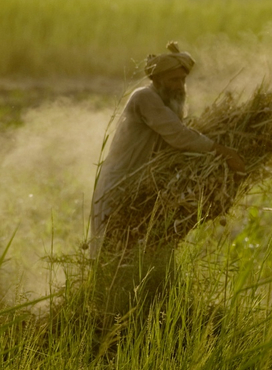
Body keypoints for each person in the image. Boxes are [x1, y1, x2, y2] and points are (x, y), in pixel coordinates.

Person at [87, 42, 244, 317]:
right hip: (119, 184)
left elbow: (180, 133)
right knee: (114, 248)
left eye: (183, 79)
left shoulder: (164, 101)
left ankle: (147, 307)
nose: (180, 85)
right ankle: (104, 309)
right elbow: (178, 135)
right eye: (173, 79)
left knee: (145, 246)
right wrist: (224, 152)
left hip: (141, 186)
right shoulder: (144, 98)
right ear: (155, 79)